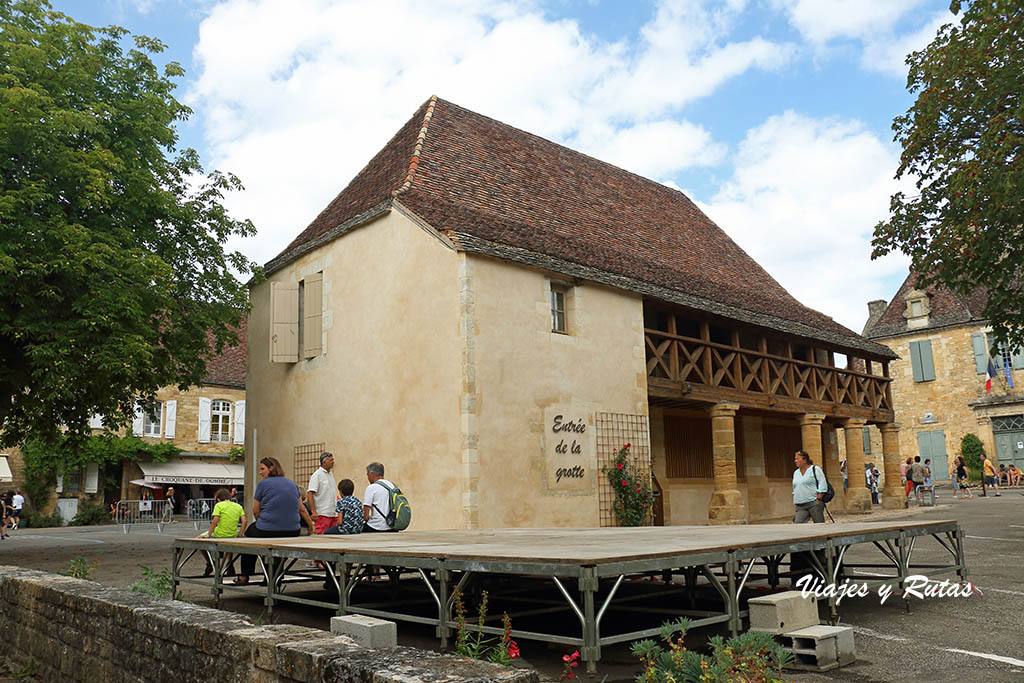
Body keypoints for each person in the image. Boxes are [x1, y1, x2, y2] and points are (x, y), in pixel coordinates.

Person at [234, 457, 314, 585]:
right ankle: (275, 575)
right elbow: (302, 509)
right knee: (278, 548)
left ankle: (245, 575)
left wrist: (265, 522)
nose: (260, 472)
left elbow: (255, 510)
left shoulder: (263, 484)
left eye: (262, 469)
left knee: (248, 538)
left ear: (271, 468)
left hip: (266, 529)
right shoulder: (292, 484)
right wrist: (310, 527)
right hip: (292, 530)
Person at [198, 488, 246, 577]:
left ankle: (210, 563)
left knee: (199, 539)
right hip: (232, 533)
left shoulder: (219, 506)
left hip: (219, 533)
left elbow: (215, 520)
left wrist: (208, 534)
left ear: (218, 499)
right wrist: (240, 533)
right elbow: (244, 521)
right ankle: (229, 563)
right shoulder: (238, 506)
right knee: (229, 543)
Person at [791, 450, 827, 524]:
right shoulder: (796, 472)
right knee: (798, 524)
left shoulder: (815, 469)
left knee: (819, 525)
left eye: (798, 459)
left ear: (804, 460)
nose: (795, 461)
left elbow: (822, 484)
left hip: (813, 503)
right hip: (800, 504)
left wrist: (818, 499)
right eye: (795, 459)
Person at [307, 452, 338, 535]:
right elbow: (310, 493)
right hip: (322, 514)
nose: (333, 462)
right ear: (324, 462)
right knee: (322, 537)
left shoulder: (331, 474)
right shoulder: (316, 475)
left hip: (333, 513)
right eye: (331, 460)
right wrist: (313, 511)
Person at [363, 462, 399, 533]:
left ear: (372, 474)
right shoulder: (392, 486)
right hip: (392, 526)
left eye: (367, 474)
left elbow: (365, 516)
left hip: (376, 526)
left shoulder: (371, 487)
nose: (367, 477)